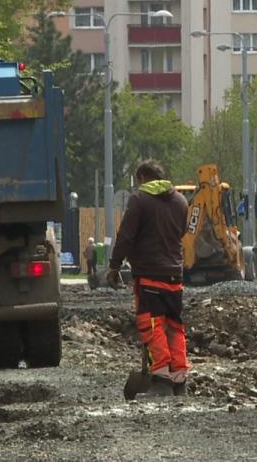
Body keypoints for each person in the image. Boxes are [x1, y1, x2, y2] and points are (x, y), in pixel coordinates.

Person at [108, 159, 189, 397]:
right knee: (174, 327)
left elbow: (126, 236)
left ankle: (161, 381)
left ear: (142, 178)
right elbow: (181, 233)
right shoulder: (181, 201)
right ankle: (179, 381)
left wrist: (115, 265)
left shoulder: (139, 200)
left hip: (150, 275)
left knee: (152, 326)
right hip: (175, 276)